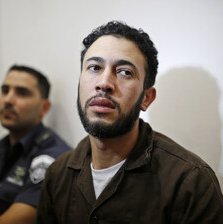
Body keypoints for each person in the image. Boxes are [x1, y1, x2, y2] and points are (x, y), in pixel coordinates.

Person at [36, 21, 223, 223]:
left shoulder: (191, 182)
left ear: (146, 98)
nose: (104, 83)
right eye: (94, 67)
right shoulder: (57, 174)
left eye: (125, 72)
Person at [0, 65, 72, 224]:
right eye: (5, 91)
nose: (8, 100)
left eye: (22, 93)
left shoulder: (53, 157)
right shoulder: (3, 146)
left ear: (44, 107)